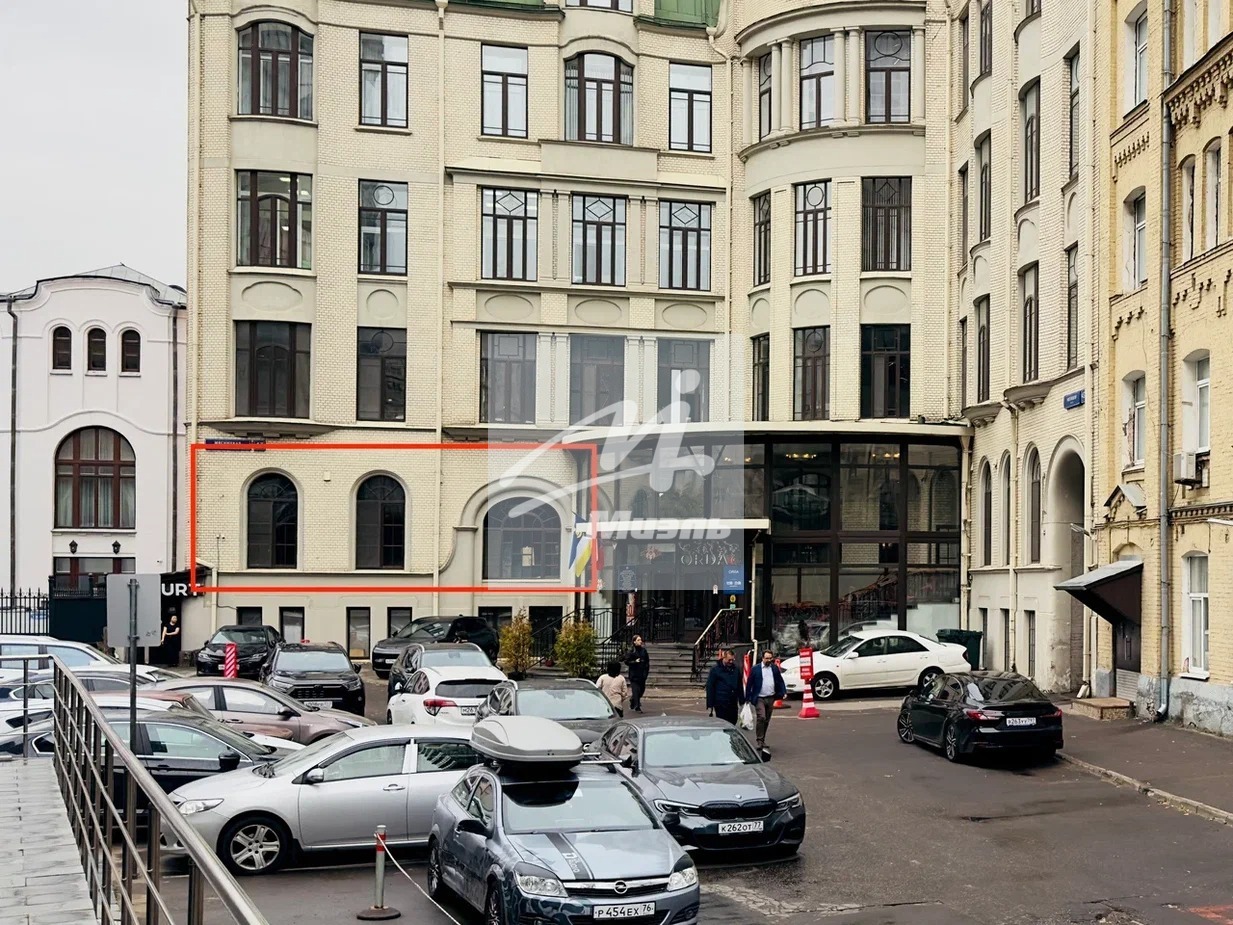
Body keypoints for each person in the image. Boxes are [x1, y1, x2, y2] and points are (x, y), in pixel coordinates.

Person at [744, 649, 786, 760]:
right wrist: (747, 697)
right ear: (762, 658)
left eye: (770, 658)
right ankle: (759, 740)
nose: (769, 660)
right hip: (759, 698)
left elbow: (779, 681)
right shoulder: (756, 669)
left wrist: (783, 692)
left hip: (771, 697)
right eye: (767, 658)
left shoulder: (774, 668)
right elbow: (749, 683)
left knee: (766, 719)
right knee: (761, 717)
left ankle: (762, 740)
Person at [705, 646, 743, 725]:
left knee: (733, 721)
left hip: (732, 701)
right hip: (720, 702)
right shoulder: (715, 669)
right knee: (723, 722)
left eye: (732, 659)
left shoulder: (736, 669)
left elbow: (739, 684)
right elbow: (710, 686)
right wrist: (710, 703)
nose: (731, 662)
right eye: (729, 660)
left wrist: (742, 699)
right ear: (724, 658)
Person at [623, 634, 650, 713]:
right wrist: (634, 662)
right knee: (636, 690)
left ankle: (633, 699)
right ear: (634, 642)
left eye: (640, 640)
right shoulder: (631, 651)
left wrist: (646, 673)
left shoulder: (644, 651)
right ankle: (637, 707)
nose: (640, 641)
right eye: (638, 640)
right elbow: (626, 661)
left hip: (642, 674)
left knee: (641, 690)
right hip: (634, 675)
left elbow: (647, 662)